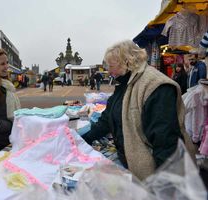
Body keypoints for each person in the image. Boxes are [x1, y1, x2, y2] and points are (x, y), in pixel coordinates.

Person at [82, 40, 194, 180]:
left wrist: (166, 185)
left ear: (127, 61)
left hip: (153, 173)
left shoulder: (155, 86)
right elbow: (107, 119)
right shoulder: (125, 82)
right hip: (132, 166)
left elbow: (165, 140)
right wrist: (83, 139)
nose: (108, 71)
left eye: (111, 66)